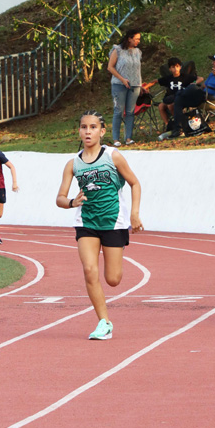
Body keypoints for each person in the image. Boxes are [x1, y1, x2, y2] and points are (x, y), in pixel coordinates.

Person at [56, 110, 143, 340]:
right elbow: (60, 198)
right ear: (79, 130)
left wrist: (134, 213)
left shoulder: (113, 156)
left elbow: (134, 183)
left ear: (102, 131)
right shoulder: (73, 163)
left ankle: (113, 255)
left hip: (114, 222)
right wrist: (72, 202)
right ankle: (104, 322)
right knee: (89, 270)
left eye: (93, 127)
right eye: (84, 127)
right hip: (87, 222)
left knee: (113, 279)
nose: (88, 131)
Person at [168, 52, 215, 138]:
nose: (212, 62)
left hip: (211, 98)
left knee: (188, 90)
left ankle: (177, 94)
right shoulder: (213, 73)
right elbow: (204, 85)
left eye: (214, 61)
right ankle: (177, 130)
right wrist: (194, 84)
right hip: (202, 95)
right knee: (179, 100)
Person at [143, 57, 204, 129]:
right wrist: (144, 87)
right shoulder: (168, 78)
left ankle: (179, 123)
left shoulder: (185, 77)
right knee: (161, 106)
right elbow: (154, 81)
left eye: (177, 66)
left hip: (180, 98)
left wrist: (194, 83)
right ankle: (168, 125)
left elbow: (201, 78)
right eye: (173, 67)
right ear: (170, 69)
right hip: (169, 98)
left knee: (170, 105)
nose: (175, 69)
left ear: (180, 67)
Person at [107, 29, 143, 147]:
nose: (138, 41)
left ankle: (128, 137)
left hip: (135, 85)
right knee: (118, 111)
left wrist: (140, 84)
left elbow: (137, 70)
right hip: (119, 84)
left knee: (130, 112)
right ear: (129, 38)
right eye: (136, 39)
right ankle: (116, 139)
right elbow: (110, 67)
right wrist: (122, 79)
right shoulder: (117, 50)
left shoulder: (138, 52)